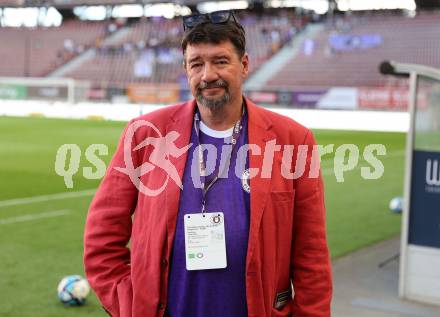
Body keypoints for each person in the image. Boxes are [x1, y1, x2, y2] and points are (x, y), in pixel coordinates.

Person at [84, 10, 332, 317]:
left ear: (244, 65)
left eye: (220, 61)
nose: (207, 75)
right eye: (196, 64)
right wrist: (129, 303)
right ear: (186, 70)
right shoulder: (146, 134)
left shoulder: (292, 139)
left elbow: (312, 254)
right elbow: (102, 234)